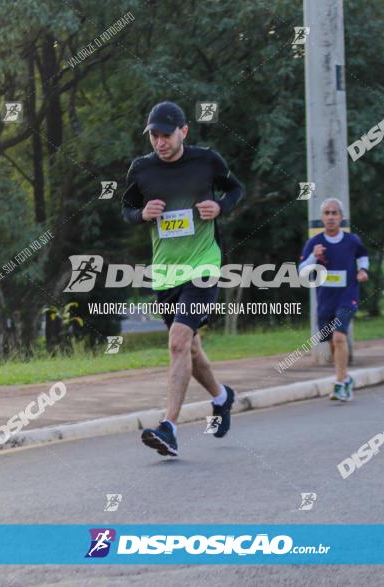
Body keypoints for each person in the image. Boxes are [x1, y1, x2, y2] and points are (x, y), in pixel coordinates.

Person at [122, 101, 244, 457]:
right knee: (189, 348)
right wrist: (141, 213)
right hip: (166, 272)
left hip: (203, 265)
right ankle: (222, 398)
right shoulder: (141, 170)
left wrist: (221, 206)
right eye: (154, 136)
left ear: (183, 132)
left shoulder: (207, 161)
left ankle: (169, 428)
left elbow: (236, 190)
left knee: (178, 341)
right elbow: (127, 210)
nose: (159, 142)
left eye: (166, 134)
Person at [297, 198, 369, 401]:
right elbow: (301, 271)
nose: (330, 217)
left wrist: (363, 270)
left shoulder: (352, 240)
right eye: (327, 213)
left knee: (339, 337)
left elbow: (362, 255)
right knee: (332, 341)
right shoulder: (314, 243)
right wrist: (313, 256)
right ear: (322, 218)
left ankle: (339, 384)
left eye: (334, 213)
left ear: (341, 217)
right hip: (326, 299)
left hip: (348, 296)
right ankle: (345, 378)